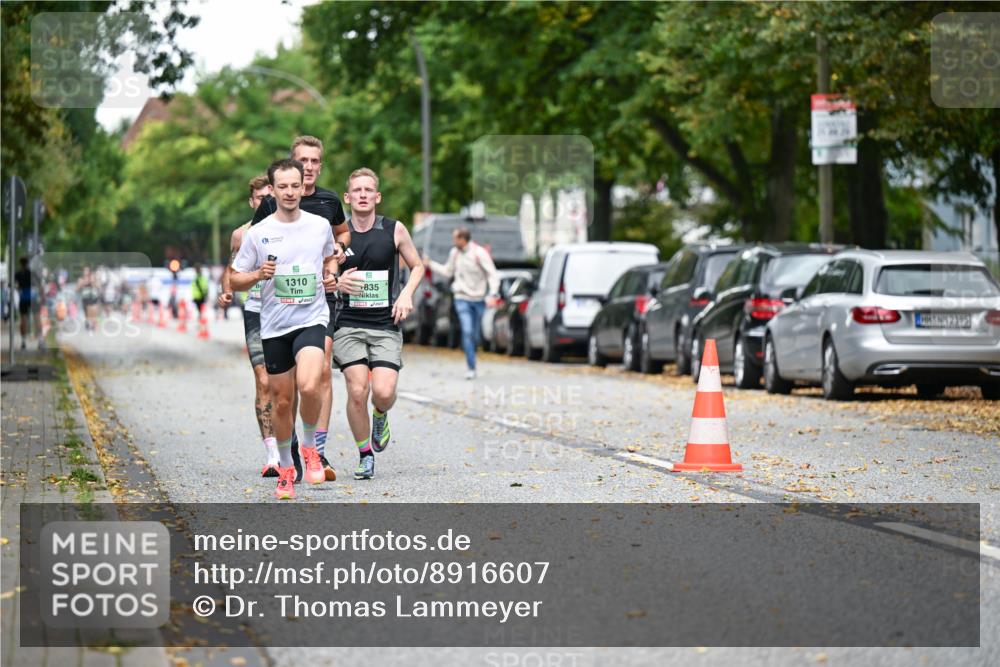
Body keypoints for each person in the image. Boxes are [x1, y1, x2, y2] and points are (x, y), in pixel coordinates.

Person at [232, 158, 338, 499]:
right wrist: (256, 275)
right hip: (275, 324)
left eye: (296, 185)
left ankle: (309, 449)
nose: (290, 192)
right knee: (281, 401)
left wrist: (331, 272)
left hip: (311, 318)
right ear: (272, 190)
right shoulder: (258, 234)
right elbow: (235, 278)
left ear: (302, 186)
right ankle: (286, 467)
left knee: (310, 385)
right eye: (283, 186)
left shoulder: (320, 225)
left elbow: (328, 257)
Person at [253, 136, 349, 481]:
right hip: (277, 310)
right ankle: (287, 451)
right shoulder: (271, 206)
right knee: (284, 391)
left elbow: (341, 237)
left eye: (314, 162)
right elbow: (254, 241)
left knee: (319, 374)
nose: (309, 168)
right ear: (290, 165)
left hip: (317, 302)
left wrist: (333, 261)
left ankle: (316, 451)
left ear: (320, 165)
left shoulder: (329, 202)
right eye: (303, 161)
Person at [335, 168, 424, 480]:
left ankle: (381, 414)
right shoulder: (336, 235)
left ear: (377, 196)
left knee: (383, 392)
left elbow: (417, 266)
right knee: (357, 390)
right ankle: (364, 455)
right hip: (348, 323)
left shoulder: (393, 229)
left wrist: (406, 296)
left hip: (385, 322)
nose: (362, 195)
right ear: (347, 197)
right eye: (356, 190)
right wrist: (335, 280)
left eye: (368, 190)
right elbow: (321, 275)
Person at [218, 175, 283, 478]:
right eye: (259, 198)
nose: (264, 202)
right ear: (251, 201)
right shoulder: (241, 234)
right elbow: (231, 270)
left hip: (286, 311)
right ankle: (272, 454)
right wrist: (226, 289)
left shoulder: (290, 228)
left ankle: (292, 445)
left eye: (269, 195)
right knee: (264, 380)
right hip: (256, 311)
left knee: (286, 385)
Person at [423, 227, 499, 379]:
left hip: (478, 299)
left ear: (462, 239)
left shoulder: (479, 253)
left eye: (455, 238)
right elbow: (447, 271)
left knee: (476, 335)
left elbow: (492, 274)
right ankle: (471, 367)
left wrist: (493, 293)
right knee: (467, 330)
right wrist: (430, 263)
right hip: (461, 298)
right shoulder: (455, 253)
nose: (453, 241)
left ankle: (473, 352)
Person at [14, 257, 33, 348]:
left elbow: (15, 285)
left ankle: (23, 340)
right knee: (36, 316)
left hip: (23, 298)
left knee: (23, 319)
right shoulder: (31, 273)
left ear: (20, 264)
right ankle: (39, 339)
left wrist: (19, 289)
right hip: (32, 297)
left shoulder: (17, 274)